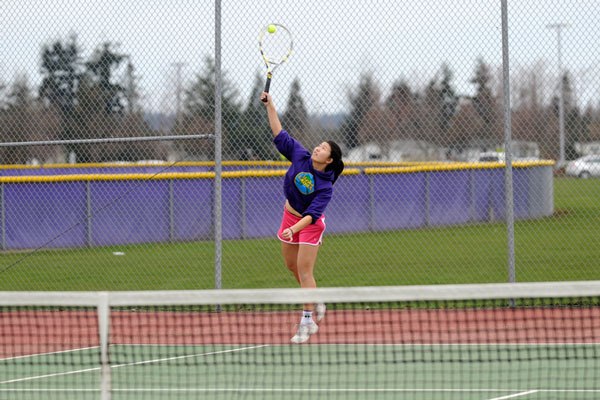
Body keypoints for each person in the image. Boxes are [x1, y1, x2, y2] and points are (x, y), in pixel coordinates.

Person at [261, 91, 344, 344]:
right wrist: (270, 104)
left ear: (328, 160)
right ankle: (316, 299)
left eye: (323, 149)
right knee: (291, 266)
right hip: (289, 217)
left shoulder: (325, 186)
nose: (318, 148)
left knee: (305, 271)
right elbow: (279, 133)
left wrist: (294, 229)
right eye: (319, 145)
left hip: (309, 225)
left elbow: (311, 215)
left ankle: (307, 321)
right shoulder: (300, 155)